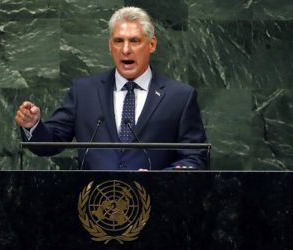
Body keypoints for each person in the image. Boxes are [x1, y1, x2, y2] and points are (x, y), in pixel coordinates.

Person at [15, 6, 208, 170]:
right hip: (93, 205)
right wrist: (33, 125)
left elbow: (195, 158)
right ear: (110, 46)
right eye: (118, 41)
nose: (125, 50)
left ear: (151, 44)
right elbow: (50, 143)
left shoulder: (179, 97)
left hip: (155, 205)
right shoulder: (84, 92)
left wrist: (158, 180)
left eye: (134, 41)